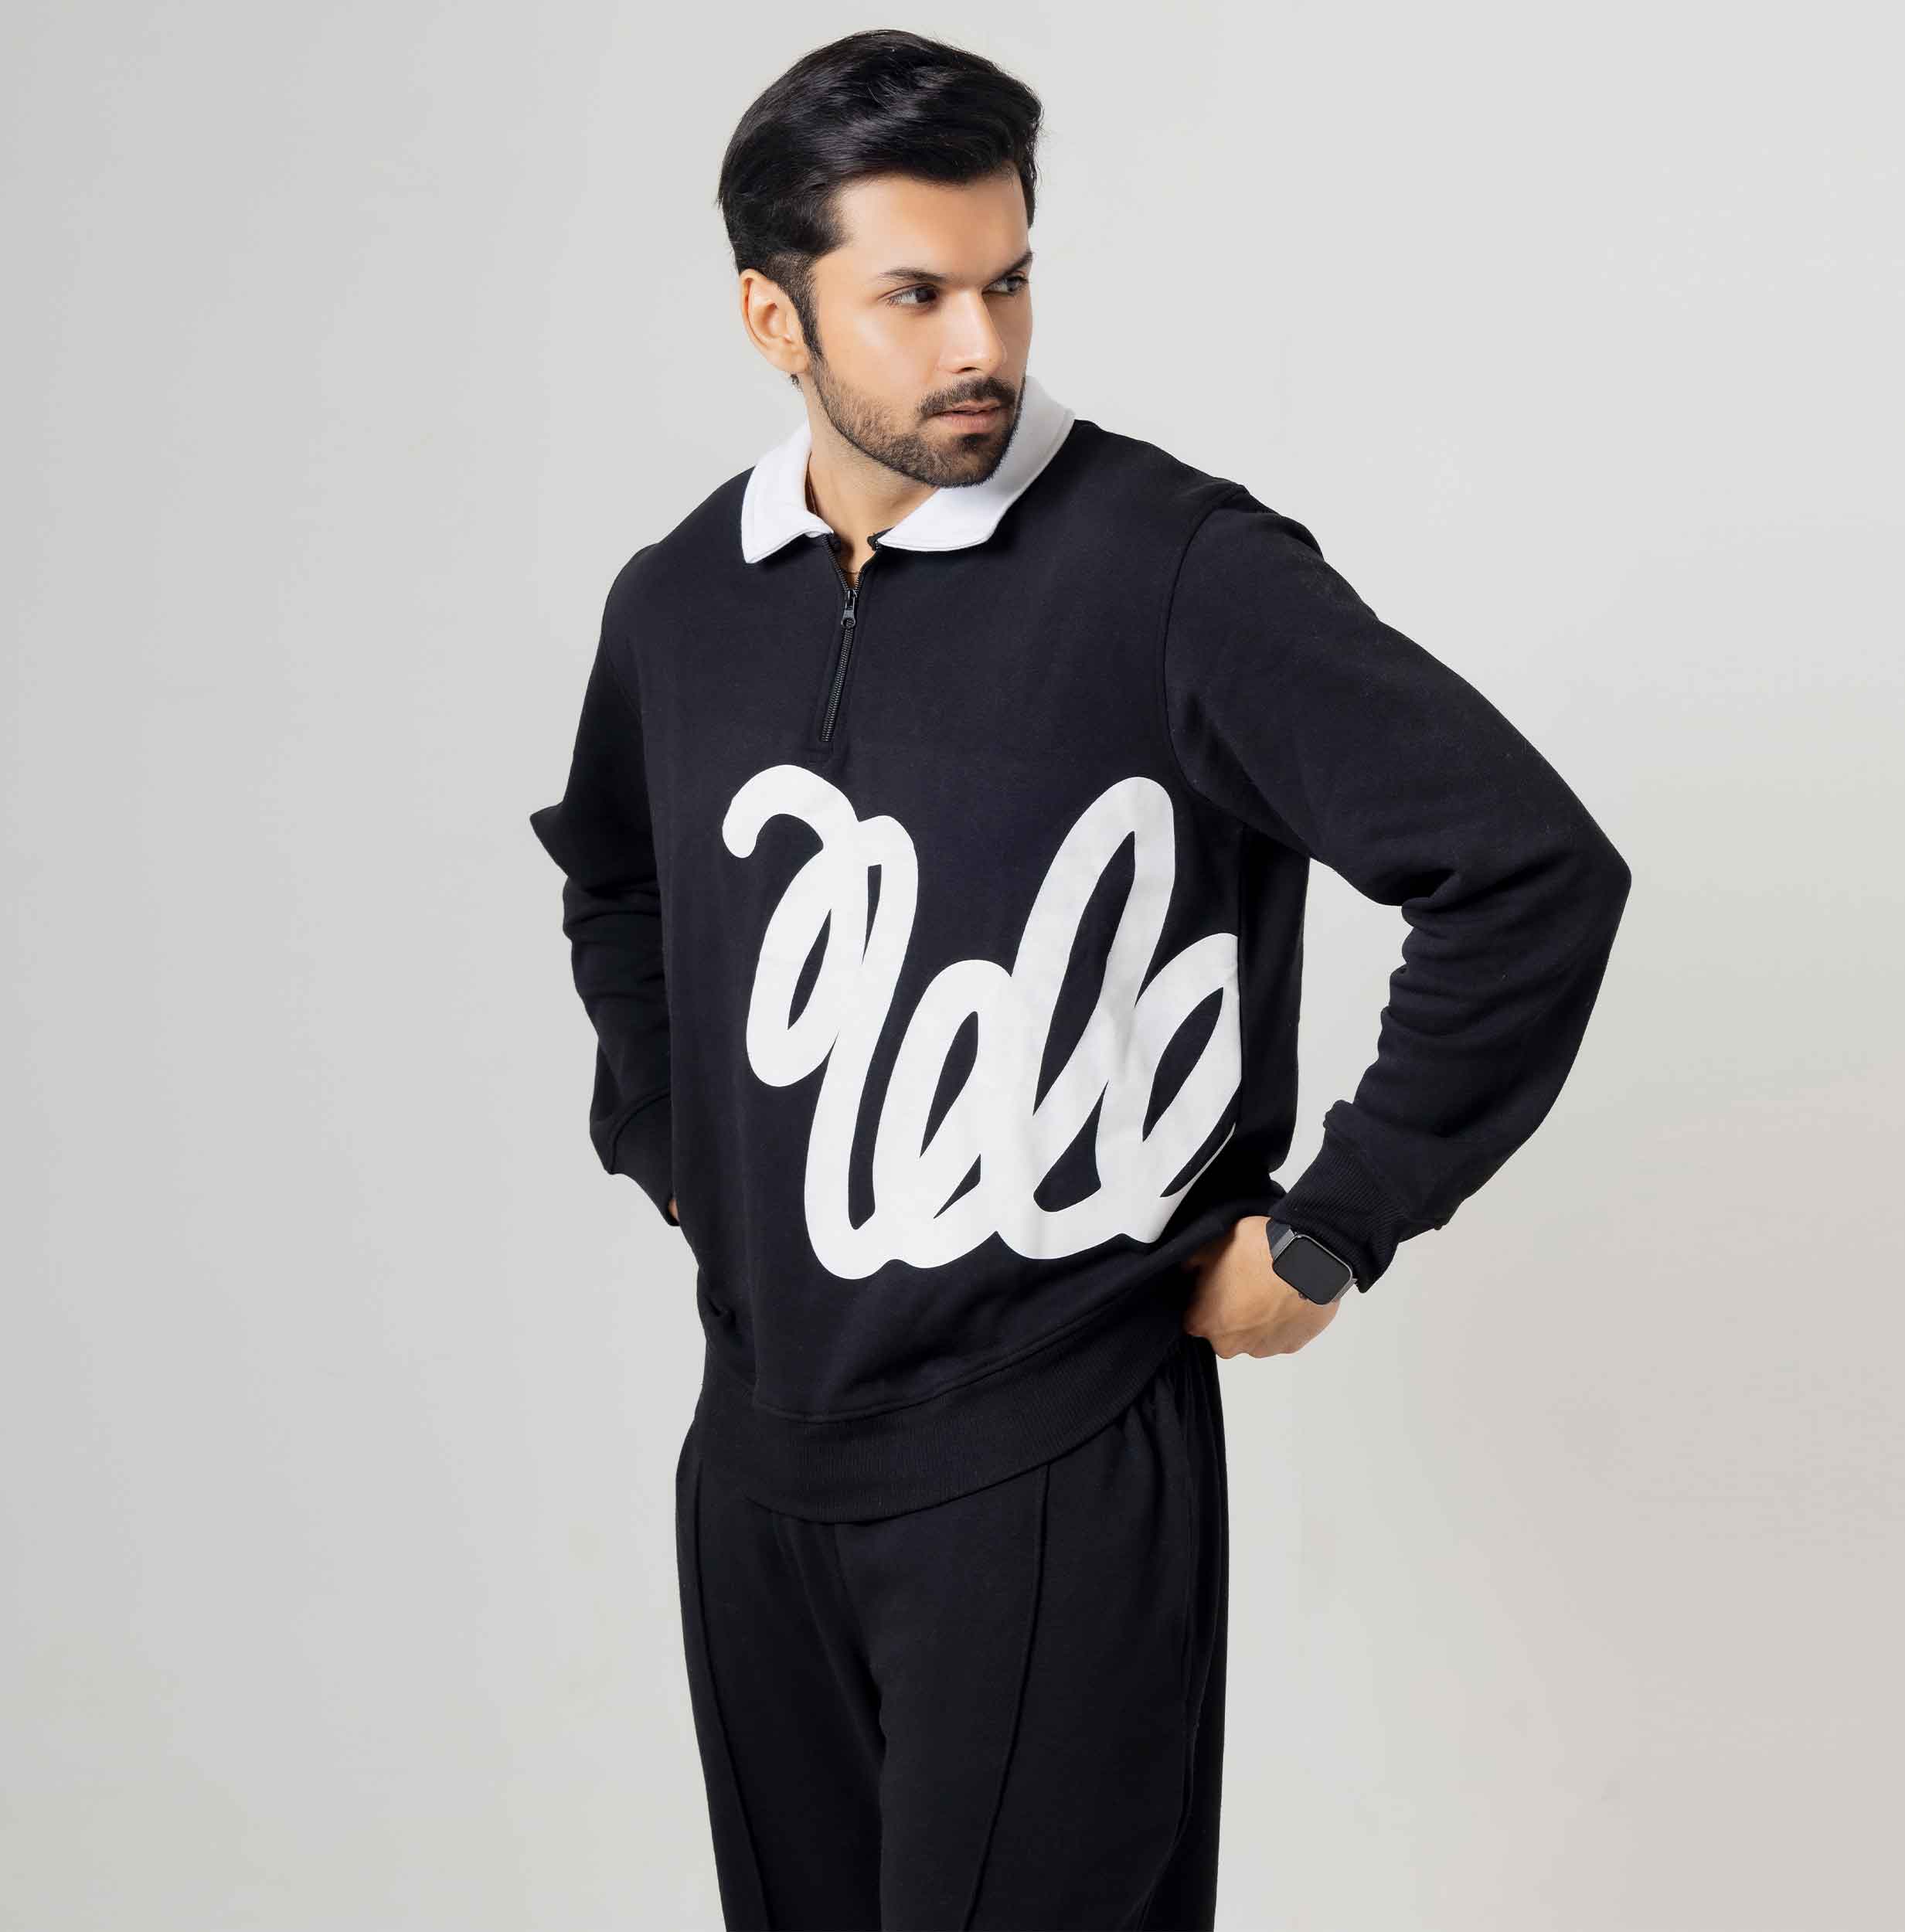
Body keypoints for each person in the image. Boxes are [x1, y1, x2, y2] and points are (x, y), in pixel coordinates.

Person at [527, 27, 1632, 1930]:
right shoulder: (683, 600)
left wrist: (1340, 1216)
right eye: (915, 295)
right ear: (773, 318)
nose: (983, 342)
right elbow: (611, 877)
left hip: (1047, 1450)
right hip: (759, 1465)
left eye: (1010, 279)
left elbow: (1523, 869)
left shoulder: (1174, 568)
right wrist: (677, 1144)